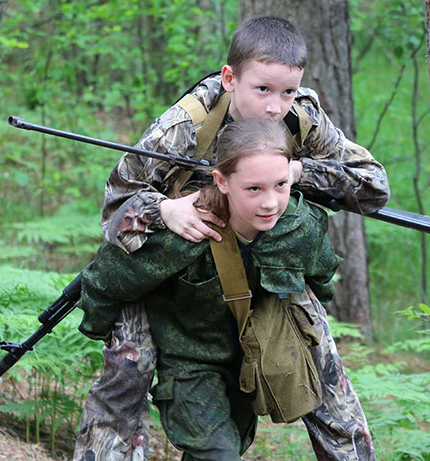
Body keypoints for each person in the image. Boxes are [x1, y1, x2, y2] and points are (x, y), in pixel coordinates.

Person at [74, 15, 389, 461]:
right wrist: (163, 208)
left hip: (268, 260)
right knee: (126, 376)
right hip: (169, 262)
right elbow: (114, 211)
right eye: (262, 89)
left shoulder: (303, 119)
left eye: (288, 92)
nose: (275, 106)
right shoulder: (184, 126)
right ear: (230, 78)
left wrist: (297, 172)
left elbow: (373, 187)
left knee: (323, 371)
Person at [77, 119, 341, 460]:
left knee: (227, 448)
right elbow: (106, 280)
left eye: (280, 185)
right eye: (254, 189)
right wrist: (109, 335)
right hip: (190, 366)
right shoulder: (186, 231)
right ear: (222, 181)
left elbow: (321, 278)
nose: (270, 202)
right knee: (218, 453)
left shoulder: (299, 227)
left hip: (250, 367)